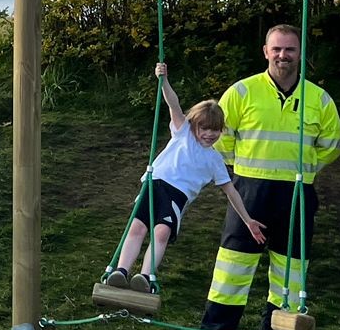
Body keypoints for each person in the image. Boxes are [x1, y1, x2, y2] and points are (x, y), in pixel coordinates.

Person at [177, 23, 340, 330]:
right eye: (277, 49)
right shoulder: (241, 92)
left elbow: (331, 145)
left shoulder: (319, 99)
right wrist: (244, 169)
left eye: (290, 50)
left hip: (297, 197)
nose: (283, 56)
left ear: (300, 54)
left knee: (288, 286)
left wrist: (302, 170)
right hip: (249, 194)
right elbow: (219, 137)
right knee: (229, 279)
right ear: (266, 52)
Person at [99, 62, 267, 295]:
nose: (209, 134)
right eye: (204, 128)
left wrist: (248, 220)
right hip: (155, 183)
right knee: (137, 227)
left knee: (161, 232)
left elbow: (231, 191)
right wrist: (164, 80)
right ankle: (121, 271)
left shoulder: (215, 160)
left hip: (177, 195)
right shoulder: (183, 133)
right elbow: (173, 104)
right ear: (194, 126)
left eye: (215, 130)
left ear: (221, 130)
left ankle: (145, 276)